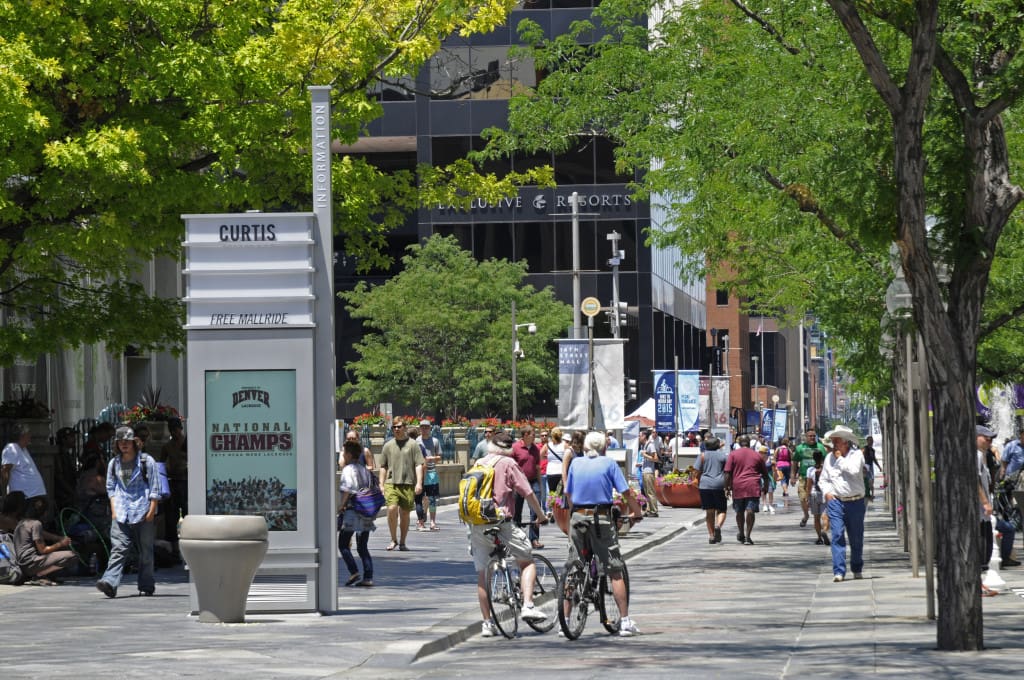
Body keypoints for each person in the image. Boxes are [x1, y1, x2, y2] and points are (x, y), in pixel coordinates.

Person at [469, 431, 549, 637]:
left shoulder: (478, 463)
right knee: (527, 560)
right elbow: (527, 492)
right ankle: (528, 605)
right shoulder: (508, 463)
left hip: (477, 523)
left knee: (483, 574)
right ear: (509, 449)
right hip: (501, 521)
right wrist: (540, 515)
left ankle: (487, 624)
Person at [564, 431, 644, 636]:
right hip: (600, 518)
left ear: (585, 447)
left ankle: (564, 621)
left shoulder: (575, 463)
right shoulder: (609, 464)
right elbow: (625, 492)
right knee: (615, 568)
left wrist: (575, 513)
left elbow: (568, 493)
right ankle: (624, 621)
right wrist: (636, 511)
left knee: (574, 567)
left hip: (578, 517)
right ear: (604, 448)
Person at [96, 426, 161, 597]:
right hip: (121, 510)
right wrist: (113, 510)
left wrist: (151, 511)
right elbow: (110, 488)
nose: (124, 445)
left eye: (127, 441)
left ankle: (146, 584)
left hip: (143, 509)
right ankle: (110, 581)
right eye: (120, 442)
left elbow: (155, 487)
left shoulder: (146, 461)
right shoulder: (114, 463)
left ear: (134, 443)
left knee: (145, 551)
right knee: (118, 548)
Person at [818, 426, 866, 582]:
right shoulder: (828, 458)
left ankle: (857, 567)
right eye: (832, 441)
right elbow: (823, 479)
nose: (833, 445)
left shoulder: (857, 455)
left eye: (836, 441)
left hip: (856, 501)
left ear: (845, 442)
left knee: (856, 537)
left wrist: (839, 459)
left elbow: (853, 470)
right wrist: (827, 492)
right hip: (836, 501)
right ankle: (839, 571)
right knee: (837, 534)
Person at [5, 491, 75, 585]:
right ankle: (39, 575)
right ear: (44, 513)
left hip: (22, 563)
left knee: (57, 552)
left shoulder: (22, 522)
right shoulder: (36, 524)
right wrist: (61, 543)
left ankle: (44, 575)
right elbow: (43, 550)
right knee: (72, 555)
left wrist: (57, 539)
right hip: (31, 563)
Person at [377, 418, 423, 552]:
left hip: (408, 483)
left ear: (404, 427)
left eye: (399, 427)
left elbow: (419, 464)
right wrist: (381, 483)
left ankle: (402, 542)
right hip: (391, 483)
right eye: (394, 427)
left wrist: (419, 483)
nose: (396, 429)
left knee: (405, 514)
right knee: (391, 509)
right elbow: (383, 466)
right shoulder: (388, 445)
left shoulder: (413, 445)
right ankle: (393, 539)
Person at [338, 439, 375, 587]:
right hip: (366, 510)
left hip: (353, 510)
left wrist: (341, 506)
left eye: (343, 452)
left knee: (343, 544)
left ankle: (354, 571)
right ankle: (368, 577)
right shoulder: (365, 470)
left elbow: (348, 489)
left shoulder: (348, 470)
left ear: (348, 454)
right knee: (362, 546)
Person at [724, 434, 769, 545]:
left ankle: (741, 533)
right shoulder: (757, 455)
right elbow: (765, 474)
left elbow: (727, 473)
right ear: (749, 443)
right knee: (750, 511)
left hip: (738, 487)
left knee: (739, 512)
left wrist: (726, 487)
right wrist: (766, 486)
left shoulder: (733, 454)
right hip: (753, 487)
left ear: (739, 443)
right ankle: (748, 536)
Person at [2, 425, 48, 515]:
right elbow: (5, 471)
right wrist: (4, 494)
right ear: (23, 436)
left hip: (33, 495)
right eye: (29, 434)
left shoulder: (23, 448)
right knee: (27, 523)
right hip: (26, 497)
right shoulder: (11, 448)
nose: (30, 437)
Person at [159, 416, 188, 556]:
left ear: (180, 429)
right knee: (172, 515)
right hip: (174, 481)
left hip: (187, 480)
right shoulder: (167, 446)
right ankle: (174, 548)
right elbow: (161, 464)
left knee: (188, 512)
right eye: (172, 431)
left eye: (176, 430)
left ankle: (189, 542)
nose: (174, 433)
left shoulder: (188, 443)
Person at [512, 426, 544, 549]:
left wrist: (540, 485)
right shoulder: (515, 448)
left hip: (533, 481)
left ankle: (534, 539)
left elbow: (537, 468)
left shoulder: (536, 449)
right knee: (516, 511)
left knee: (535, 510)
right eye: (532, 433)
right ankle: (518, 538)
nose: (534, 435)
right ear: (525, 435)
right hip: (518, 483)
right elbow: (511, 467)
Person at [696, 436, 727, 543]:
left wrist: (697, 482)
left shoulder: (702, 456)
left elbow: (697, 471)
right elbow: (727, 472)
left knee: (709, 512)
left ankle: (711, 535)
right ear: (718, 446)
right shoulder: (723, 456)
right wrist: (728, 486)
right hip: (719, 485)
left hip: (705, 485)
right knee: (722, 509)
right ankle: (718, 526)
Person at [792, 430, 826, 528]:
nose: (812, 438)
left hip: (817, 477)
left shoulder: (820, 447)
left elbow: (825, 460)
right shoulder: (800, 448)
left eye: (813, 436)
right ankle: (806, 515)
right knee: (803, 498)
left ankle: (817, 519)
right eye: (810, 436)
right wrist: (793, 476)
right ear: (806, 437)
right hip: (803, 477)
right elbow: (794, 462)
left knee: (819, 500)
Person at [416, 420, 442, 531]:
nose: (424, 429)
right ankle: (421, 521)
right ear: (420, 428)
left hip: (431, 472)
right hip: (420, 472)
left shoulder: (435, 441)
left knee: (432, 498)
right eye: (422, 427)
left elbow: (439, 457)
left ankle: (432, 522)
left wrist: (431, 458)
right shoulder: (416, 441)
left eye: (427, 427)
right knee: (419, 498)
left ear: (430, 428)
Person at [806, 450, 830, 545]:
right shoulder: (826, 469)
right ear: (822, 458)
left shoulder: (810, 470)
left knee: (816, 517)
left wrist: (807, 497)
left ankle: (819, 537)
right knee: (825, 516)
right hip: (825, 494)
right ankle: (824, 530)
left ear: (813, 458)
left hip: (814, 494)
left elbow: (808, 485)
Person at [639, 429, 661, 517]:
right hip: (645, 471)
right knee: (647, 492)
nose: (639, 437)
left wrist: (645, 455)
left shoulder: (650, 445)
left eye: (640, 436)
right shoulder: (644, 446)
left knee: (651, 492)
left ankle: (654, 511)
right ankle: (649, 509)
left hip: (649, 472)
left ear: (644, 436)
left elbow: (656, 459)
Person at [544, 427, 567, 495]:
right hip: (561, 471)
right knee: (560, 493)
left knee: (552, 492)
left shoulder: (547, 445)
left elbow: (540, 455)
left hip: (550, 472)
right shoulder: (564, 445)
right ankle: (558, 505)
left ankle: (553, 504)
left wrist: (548, 458)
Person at [861, 435, 879, 500]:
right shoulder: (864, 448)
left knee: (872, 480)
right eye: (870, 441)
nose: (871, 442)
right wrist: (862, 465)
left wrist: (879, 466)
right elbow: (860, 455)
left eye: (872, 441)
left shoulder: (872, 450)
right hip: (865, 466)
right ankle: (867, 494)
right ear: (867, 441)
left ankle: (872, 494)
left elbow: (874, 459)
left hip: (870, 466)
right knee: (867, 480)